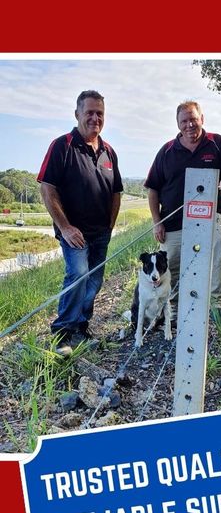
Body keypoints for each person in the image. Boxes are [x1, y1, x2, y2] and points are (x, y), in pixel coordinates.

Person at [37, 90, 123, 352]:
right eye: (90, 113)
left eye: (100, 113)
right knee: (78, 275)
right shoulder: (62, 145)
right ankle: (62, 333)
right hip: (74, 232)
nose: (95, 118)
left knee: (94, 282)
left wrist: (109, 226)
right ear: (77, 114)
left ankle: (81, 328)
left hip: (101, 233)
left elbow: (116, 192)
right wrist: (65, 227)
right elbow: (47, 188)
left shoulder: (109, 152)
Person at [145, 101, 221, 320]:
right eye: (184, 121)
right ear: (178, 124)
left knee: (217, 246)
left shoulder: (216, 143)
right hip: (173, 221)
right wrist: (157, 221)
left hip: (210, 216)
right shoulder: (167, 150)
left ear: (202, 119)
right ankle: (170, 308)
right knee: (169, 264)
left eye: (193, 119)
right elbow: (152, 189)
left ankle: (214, 305)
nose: (189, 125)